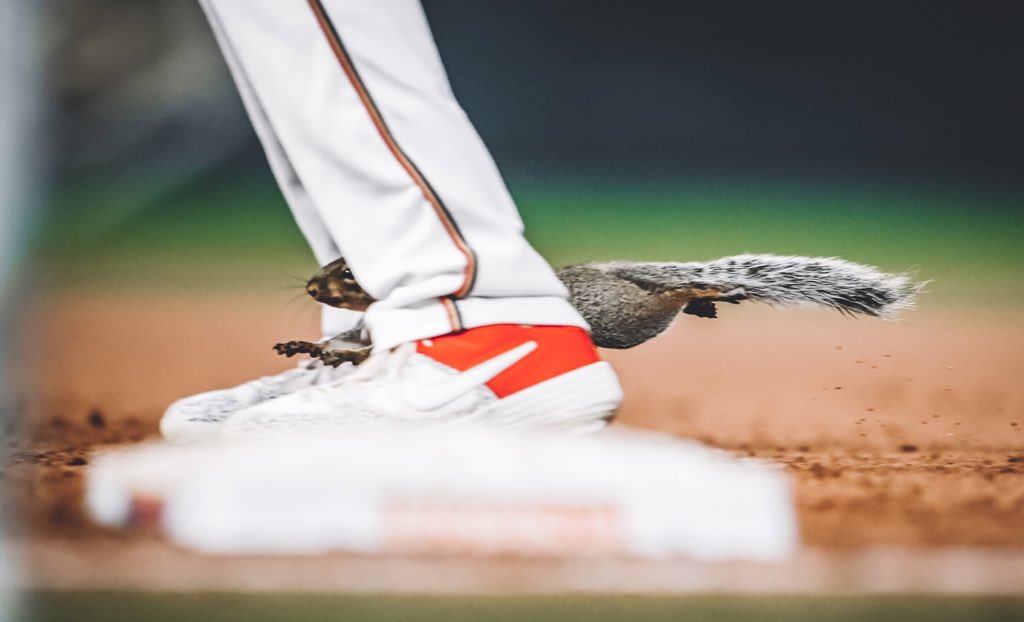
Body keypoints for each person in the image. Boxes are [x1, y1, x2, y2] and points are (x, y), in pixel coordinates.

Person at [160, 0, 622, 441]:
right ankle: (388, 345)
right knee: (266, 33)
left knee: (308, 24)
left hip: (486, 338)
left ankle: (478, 330)